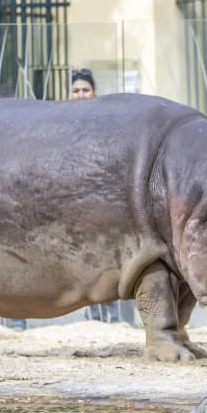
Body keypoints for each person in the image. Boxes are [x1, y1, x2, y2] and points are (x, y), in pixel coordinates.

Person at [70, 68, 120, 324]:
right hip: (79, 206)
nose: (80, 95)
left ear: (94, 92)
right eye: (76, 91)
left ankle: (111, 318)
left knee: (108, 263)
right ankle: (93, 318)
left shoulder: (106, 122)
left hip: (104, 205)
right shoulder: (66, 126)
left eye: (85, 90)